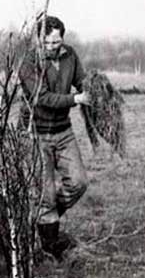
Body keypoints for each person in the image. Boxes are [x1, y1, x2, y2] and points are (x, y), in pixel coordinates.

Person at [19, 15, 91, 261]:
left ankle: (47, 217)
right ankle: (50, 246)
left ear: (62, 38)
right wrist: (75, 99)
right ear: (40, 40)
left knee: (79, 182)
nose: (52, 47)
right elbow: (43, 98)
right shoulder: (29, 63)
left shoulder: (70, 55)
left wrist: (91, 89)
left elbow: (82, 81)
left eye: (57, 42)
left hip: (63, 131)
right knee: (44, 192)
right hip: (36, 133)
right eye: (47, 43)